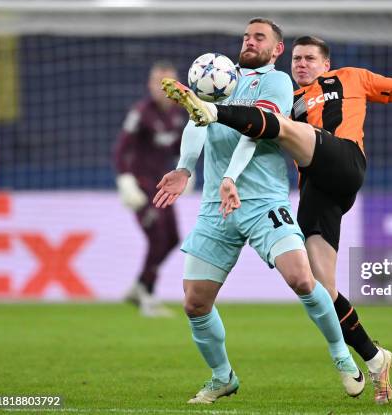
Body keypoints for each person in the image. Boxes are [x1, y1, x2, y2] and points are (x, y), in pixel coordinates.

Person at [167, 35, 392, 404]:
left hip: (343, 160)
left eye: (310, 59)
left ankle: (213, 110)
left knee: (280, 125)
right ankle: (375, 359)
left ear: (326, 64)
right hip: (318, 189)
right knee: (319, 287)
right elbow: (255, 133)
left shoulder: (352, 78)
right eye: (296, 59)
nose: (301, 65)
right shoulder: (289, 99)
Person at [154, 19, 364, 404]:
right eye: (246, 36)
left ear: (277, 48)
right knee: (195, 303)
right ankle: (222, 377)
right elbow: (197, 123)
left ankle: (341, 356)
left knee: (302, 279)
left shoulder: (277, 84)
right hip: (217, 206)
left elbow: (259, 130)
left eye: (259, 37)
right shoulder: (219, 78)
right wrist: (185, 168)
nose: (249, 42)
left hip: (264, 201)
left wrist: (231, 176)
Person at [113, 60, 188, 317]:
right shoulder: (140, 112)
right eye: (158, 83)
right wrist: (125, 180)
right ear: (150, 85)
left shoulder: (179, 114)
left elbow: (181, 148)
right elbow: (121, 149)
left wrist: (186, 169)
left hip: (162, 185)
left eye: (168, 83)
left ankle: (139, 287)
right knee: (157, 238)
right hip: (141, 186)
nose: (163, 88)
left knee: (173, 239)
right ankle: (148, 296)